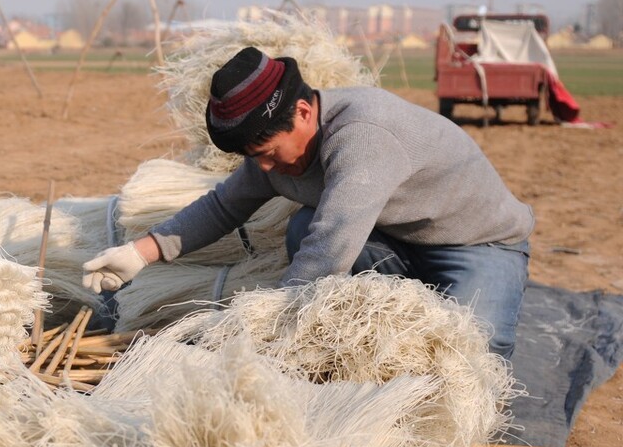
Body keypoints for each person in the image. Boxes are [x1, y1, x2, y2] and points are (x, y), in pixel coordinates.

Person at [83, 47, 534, 358]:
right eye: (251, 158)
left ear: (303, 112)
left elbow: (331, 247)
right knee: (302, 228)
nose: (262, 169)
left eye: (267, 153)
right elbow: (224, 207)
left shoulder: (363, 135)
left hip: (476, 246)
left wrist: (265, 327)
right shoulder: (276, 151)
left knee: (469, 352)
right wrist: (141, 253)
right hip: (396, 239)